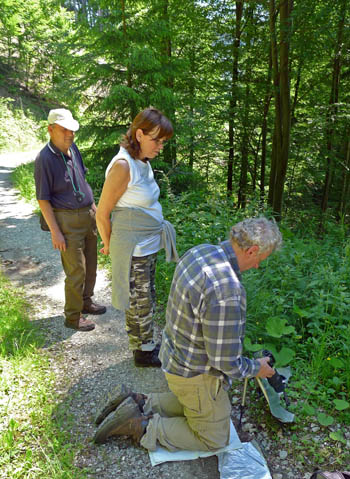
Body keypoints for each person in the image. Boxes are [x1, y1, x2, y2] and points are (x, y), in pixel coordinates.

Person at [93, 217, 282, 451]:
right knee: (214, 438)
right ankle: (142, 426)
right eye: (259, 260)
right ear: (252, 250)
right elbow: (225, 362)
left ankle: (139, 401)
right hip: (193, 374)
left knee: (204, 405)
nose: (257, 267)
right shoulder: (227, 289)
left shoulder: (201, 252)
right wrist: (256, 369)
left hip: (174, 358)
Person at [96, 107, 178, 368]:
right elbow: (102, 212)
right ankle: (143, 352)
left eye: (163, 142)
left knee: (145, 297)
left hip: (147, 244)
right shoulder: (123, 166)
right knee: (140, 301)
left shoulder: (142, 161)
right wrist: (108, 244)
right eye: (157, 140)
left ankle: (143, 344)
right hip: (134, 247)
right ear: (139, 134)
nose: (160, 147)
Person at [34, 108, 106, 332]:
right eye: (63, 130)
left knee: (91, 264)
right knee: (77, 270)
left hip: (87, 215)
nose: (69, 134)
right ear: (50, 129)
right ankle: (73, 317)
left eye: (71, 130)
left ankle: (86, 301)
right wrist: (55, 232)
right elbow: (43, 200)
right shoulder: (44, 159)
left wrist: (96, 210)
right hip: (66, 221)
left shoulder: (73, 149)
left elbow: (82, 180)